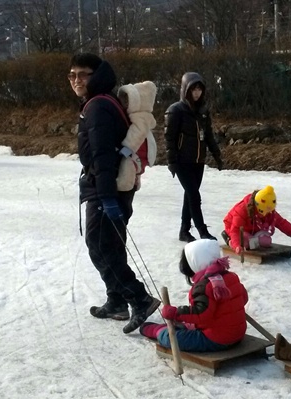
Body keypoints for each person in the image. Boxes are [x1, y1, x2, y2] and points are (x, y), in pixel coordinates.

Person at [70, 53, 160, 334]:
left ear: (97, 75)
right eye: (72, 75)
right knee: (111, 244)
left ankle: (139, 299)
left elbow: (101, 155)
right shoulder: (102, 102)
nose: (76, 80)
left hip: (105, 188)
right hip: (112, 186)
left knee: (102, 246)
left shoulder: (97, 107)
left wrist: (106, 196)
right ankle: (116, 301)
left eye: (83, 74)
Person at [139, 239, 249, 352]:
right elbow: (243, 298)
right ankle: (184, 326)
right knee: (190, 323)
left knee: (172, 338)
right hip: (237, 334)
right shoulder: (231, 277)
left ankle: (158, 331)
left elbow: (201, 314)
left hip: (215, 339)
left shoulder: (205, 286)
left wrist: (176, 313)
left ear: (195, 264)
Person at [164, 72, 223, 243]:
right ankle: (202, 231)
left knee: (190, 195)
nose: (197, 93)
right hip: (182, 162)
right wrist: (172, 162)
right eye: (193, 89)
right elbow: (169, 139)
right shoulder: (175, 110)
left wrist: (216, 155)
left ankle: (184, 230)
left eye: (199, 89)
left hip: (198, 161)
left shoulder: (203, 111)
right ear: (185, 89)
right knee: (194, 196)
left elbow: (209, 135)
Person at [222, 185, 291, 253]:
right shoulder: (242, 210)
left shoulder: (270, 211)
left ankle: (249, 241)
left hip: (253, 230)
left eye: (268, 211)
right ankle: (228, 239)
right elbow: (236, 229)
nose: (265, 214)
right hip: (233, 228)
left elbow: (281, 223)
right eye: (262, 211)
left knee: (266, 241)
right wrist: (237, 245)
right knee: (244, 243)